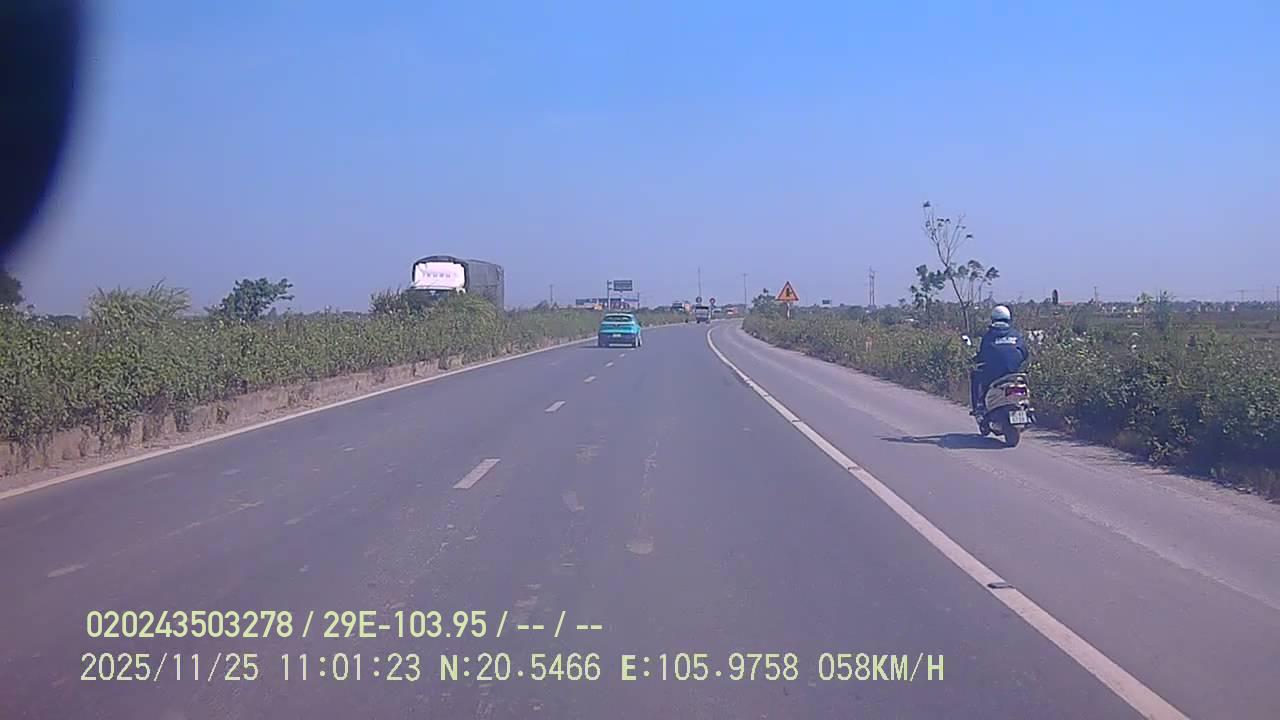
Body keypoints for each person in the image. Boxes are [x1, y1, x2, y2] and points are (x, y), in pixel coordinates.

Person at [970, 305, 1030, 416]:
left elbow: (982, 355)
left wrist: (976, 359)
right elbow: (1025, 353)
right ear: (1009, 319)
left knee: (975, 376)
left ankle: (978, 406)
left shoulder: (989, 336)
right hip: (1014, 374)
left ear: (993, 319)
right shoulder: (1016, 335)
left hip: (994, 375)